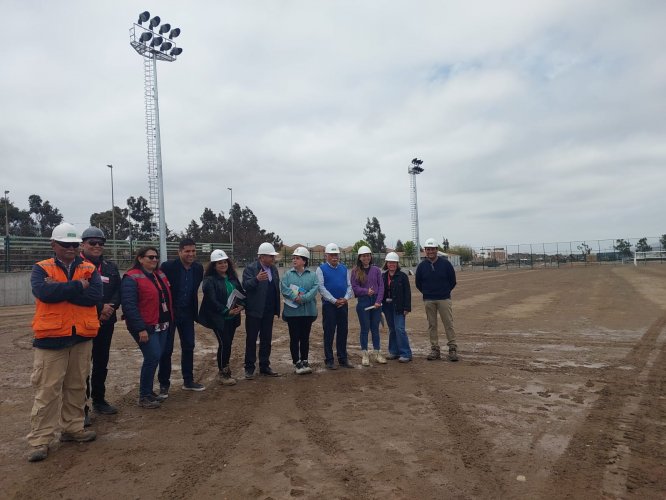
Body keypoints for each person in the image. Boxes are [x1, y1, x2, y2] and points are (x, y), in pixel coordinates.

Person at [26, 222, 101, 462]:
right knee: (47, 390)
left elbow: (95, 297)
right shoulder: (42, 268)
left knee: (77, 386)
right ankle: (40, 440)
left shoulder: (89, 267)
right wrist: (78, 285)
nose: (70, 248)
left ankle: (73, 428)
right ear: (53, 245)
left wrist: (62, 291)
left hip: (81, 337)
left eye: (74, 244)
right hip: (51, 339)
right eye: (65, 244)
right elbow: (44, 294)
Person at [121, 246, 174, 409]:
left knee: (157, 357)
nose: (154, 260)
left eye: (156, 257)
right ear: (140, 258)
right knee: (152, 357)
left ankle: (149, 393)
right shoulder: (131, 277)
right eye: (150, 257)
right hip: (146, 326)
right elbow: (129, 306)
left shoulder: (159, 275)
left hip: (162, 324)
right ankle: (144, 395)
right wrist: (140, 329)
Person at [80, 227, 121, 419]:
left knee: (101, 362)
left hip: (106, 322)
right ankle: (81, 408)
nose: (97, 246)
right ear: (83, 244)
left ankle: (99, 400)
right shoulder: (77, 266)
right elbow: (79, 293)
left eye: (100, 243)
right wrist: (99, 307)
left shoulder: (110, 267)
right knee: (81, 367)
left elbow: (118, 291)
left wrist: (109, 307)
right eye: (92, 243)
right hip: (83, 323)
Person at [158, 238, 205, 395]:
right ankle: (164, 384)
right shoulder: (168, 267)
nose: (191, 254)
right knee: (167, 349)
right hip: (170, 313)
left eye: (193, 251)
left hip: (187, 313)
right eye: (187, 251)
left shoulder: (198, 269)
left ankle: (188, 380)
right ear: (179, 252)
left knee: (189, 346)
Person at [198, 250, 245, 386]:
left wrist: (242, 306)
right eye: (220, 263)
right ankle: (223, 372)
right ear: (214, 265)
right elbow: (212, 300)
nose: (223, 264)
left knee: (227, 343)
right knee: (225, 343)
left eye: (225, 262)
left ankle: (224, 369)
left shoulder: (232, 278)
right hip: (219, 318)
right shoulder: (209, 281)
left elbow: (241, 294)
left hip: (233, 318)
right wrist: (225, 311)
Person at [415, 238, 459, 361]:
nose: (430, 251)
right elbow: (418, 283)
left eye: (432, 249)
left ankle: (452, 349)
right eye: (428, 249)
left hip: (444, 298)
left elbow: (452, 281)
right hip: (428, 299)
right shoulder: (421, 266)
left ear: (436, 250)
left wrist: (444, 291)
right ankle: (435, 349)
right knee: (432, 325)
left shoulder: (446, 264)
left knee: (448, 324)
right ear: (425, 250)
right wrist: (427, 293)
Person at [242, 242, 281, 379]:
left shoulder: (274, 269)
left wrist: (276, 309)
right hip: (254, 311)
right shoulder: (250, 269)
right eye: (271, 256)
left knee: (266, 339)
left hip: (268, 311)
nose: (273, 259)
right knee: (251, 339)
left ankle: (264, 366)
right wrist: (256, 279)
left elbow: (275, 289)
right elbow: (245, 286)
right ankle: (249, 367)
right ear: (262, 257)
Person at [280, 247, 319, 374]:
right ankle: (297, 362)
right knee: (294, 337)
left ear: (304, 260)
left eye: (297, 258)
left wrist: (303, 298)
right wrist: (294, 297)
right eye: (294, 258)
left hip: (308, 313)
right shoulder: (287, 275)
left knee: (305, 337)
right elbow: (284, 288)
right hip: (292, 314)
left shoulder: (312, 275)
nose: (294, 260)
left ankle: (305, 360)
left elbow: (314, 289)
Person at [316, 243, 354, 370]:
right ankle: (329, 360)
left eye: (336, 255)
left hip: (343, 304)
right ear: (326, 255)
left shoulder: (344, 268)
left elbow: (349, 286)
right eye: (332, 255)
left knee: (343, 331)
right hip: (329, 306)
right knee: (329, 332)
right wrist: (333, 300)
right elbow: (321, 288)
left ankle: (343, 358)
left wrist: (346, 298)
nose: (334, 257)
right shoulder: (321, 269)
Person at [350, 245, 385, 367]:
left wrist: (378, 301)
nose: (366, 258)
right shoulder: (355, 271)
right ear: (359, 257)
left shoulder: (376, 270)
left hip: (376, 302)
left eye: (368, 255)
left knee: (375, 328)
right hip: (363, 302)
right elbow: (354, 287)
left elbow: (381, 286)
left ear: (371, 256)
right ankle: (365, 354)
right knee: (365, 329)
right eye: (363, 256)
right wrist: (366, 291)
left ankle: (377, 353)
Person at [382, 252, 413, 362]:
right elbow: (381, 292)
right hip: (387, 307)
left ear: (397, 263)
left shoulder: (403, 276)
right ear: (387, 263)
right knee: (392, 329)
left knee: (399, 329)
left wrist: (407, 308)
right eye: (390, 262)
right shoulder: (383, 276)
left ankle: (406, 353)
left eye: (394, 262)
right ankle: (394, 352)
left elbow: (407, 293)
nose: (392, 264)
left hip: (399, 307)